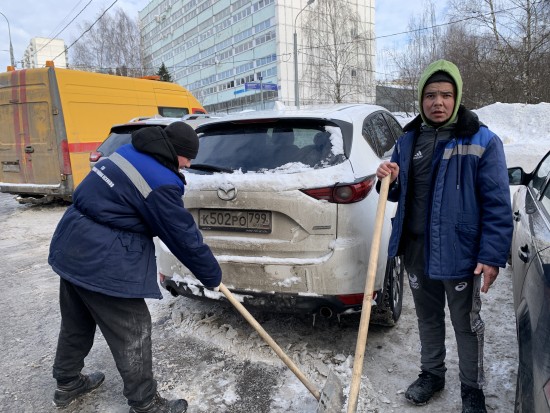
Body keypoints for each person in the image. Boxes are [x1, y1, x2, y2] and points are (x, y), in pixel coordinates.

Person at [48, 121, 222, 413]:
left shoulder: (128, 152)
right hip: (104, 258)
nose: (189, 164)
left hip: (72, 245)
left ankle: (67, 383)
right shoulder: (159, 181)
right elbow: (183, 237)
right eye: (187, 157)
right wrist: (211, 275)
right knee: (134, 331)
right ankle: (145, 403)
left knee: (77, 320)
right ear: (175, 152)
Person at [376, 59, 513, 413]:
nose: (438, 102)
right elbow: (394, 193)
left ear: (457, 97)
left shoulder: (482, 141)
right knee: (427, 318)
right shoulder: (407, 141)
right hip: (417, 249)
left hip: (461, 252)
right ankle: (432, 374)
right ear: (421, 99)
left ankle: (472, 390)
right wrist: (386, 177)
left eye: (446, 95)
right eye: (431, 95)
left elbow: (497, 204)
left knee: (466, 323)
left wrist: (492, 256)